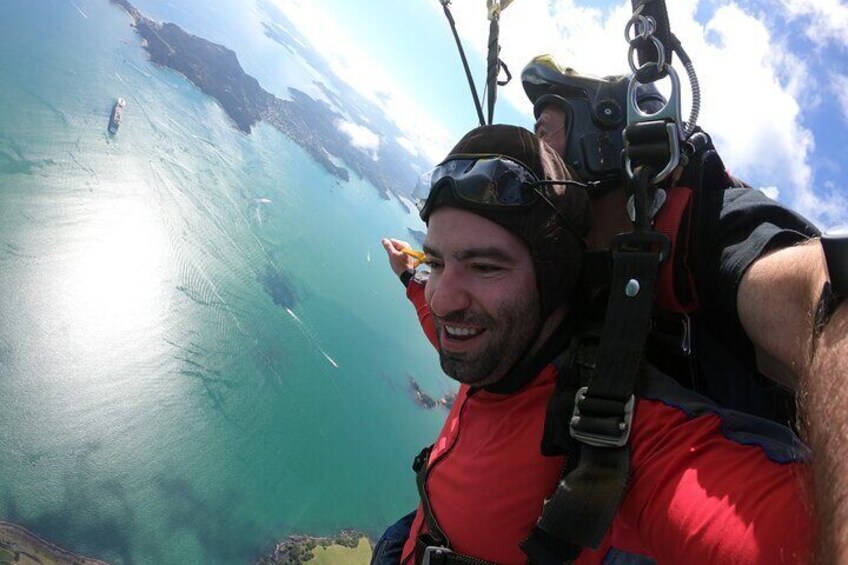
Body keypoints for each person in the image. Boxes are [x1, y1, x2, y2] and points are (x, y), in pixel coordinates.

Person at [373, 124, 812, 565]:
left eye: (485, 267)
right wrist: (410, 279)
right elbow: (442, 327)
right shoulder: (493, 346)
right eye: (436, 261)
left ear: (553, 281)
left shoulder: (615, 433)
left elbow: (789, 540)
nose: (444, 299)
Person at [522, 55, 847, 561]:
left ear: (602, 139)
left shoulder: (699, 225)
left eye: (544, 130)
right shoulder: (576, 261)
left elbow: (822, 295)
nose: (531, 149)